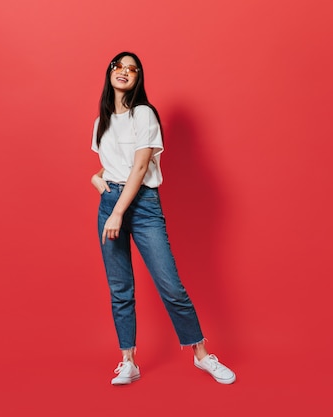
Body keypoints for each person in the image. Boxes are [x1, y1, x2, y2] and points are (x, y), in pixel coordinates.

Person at [90, 51, 236, 385]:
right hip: (111, 201)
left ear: (138, 78)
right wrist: (96, 179)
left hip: (140, 206)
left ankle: (202, 356)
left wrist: (116, 211)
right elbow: (112, 164)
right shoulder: (102, 121)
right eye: (119, 66)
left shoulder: (143, 114)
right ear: (110, 71)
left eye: (132, 69)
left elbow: (140, 167)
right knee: (120, 287)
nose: (125, 72)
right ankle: (128, 360)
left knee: (170, 285)